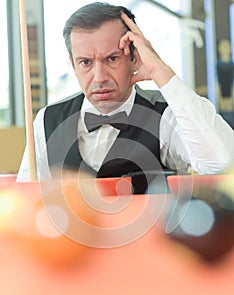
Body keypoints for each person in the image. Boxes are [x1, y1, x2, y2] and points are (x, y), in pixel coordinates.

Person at [17, 2, 234, 193]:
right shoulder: (46, 120)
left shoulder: (166, 114)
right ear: (73, 63)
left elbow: (223, 164)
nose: (99, 77)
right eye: (85, 63)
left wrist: (160, 71)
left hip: (153, 239)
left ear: (133, 57)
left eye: (112, 59)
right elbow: (25, 205)